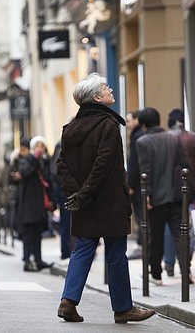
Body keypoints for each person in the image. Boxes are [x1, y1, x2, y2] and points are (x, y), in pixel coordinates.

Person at [56, 73, 155, 324]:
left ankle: (68, 301)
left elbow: (61, 166)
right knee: (115, 254)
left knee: (83, 250)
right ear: (97, 97)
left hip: (85, 202)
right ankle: (123, 308)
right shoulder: (108, 125)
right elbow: (104, 164)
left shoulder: (70, 129)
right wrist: (85, 193)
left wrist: (77, 193)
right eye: (105, 87)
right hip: (108, 201)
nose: (110, 89)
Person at [135, 107, 191, 286]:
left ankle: (156, 275)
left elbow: (146, 170)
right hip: (175, 194)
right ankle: (185, 271)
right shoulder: (174, 138)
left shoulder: (142, 142)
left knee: (155, 236)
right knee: (180, 234)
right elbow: (185, 164)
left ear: (143, 124)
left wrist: (148, 194)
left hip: (156, 197)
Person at [162, 108, 195, 276]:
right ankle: (186, 263)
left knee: (171, 225)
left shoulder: (165, 139)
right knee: (189, 226)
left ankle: (169, 263)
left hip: (169, 190)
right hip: (191, 188)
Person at [11, 138, 53, 271]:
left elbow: (48, 177)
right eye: (37, 146)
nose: (39, 148)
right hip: (27, 202)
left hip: (38, 202)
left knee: (37, 231)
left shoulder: (43, 160)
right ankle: (27, 259)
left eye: (42, 146)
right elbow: (20, 173)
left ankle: (38, 259)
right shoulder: (24, 160)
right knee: (28, 232)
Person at [125, 109, 145, 259]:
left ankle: (143, 245)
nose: (127, 124)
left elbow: (134, 163)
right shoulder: (140, 136)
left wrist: (130, 184)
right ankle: (142, 244)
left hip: (138, 185)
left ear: (137, 120)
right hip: (141, 183)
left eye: (129, 120)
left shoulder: (137, 138)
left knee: (141, 216)